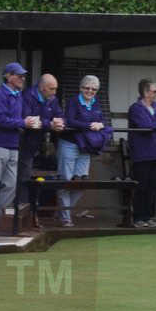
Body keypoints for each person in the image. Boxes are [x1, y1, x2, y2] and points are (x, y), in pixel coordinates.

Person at [57, 74, 109, 226]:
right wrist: (89, 125)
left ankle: (63, 211)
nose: (90, 91)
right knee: (65, 181)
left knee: (81, 183)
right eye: (87, 88)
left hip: (86, 146)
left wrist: (101, 125)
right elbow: (70, 120)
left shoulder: (96, 102)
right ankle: (65, 217)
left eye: (94, 89)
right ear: (80, 88)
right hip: (69, 143)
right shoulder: (73, 101)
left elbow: (102, 120)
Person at [0, 61, 28, 230]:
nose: (22, 78)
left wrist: (26, 122)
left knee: (10, 185)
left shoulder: (18, 95)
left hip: (13, 145)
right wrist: (23, 122)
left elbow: (18, 119)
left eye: (23, 75)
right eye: (18, 75)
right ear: (8, 76)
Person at [125, 78, 156, 227]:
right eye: (154, 91)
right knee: (141, 187)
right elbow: (145, 125)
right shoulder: (135, 108)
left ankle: (148, 217)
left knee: (153, 187)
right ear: (145, 92)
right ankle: (138, 218)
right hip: (142, 154)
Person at [21, 73, 67, 224]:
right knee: (24, 180)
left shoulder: (52, 99)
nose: (54, 92)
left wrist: (60, 123)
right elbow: (29, 118)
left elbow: (60, 115)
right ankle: (22, 216)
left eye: (56, 89)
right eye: (51, 89)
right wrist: (50, 124)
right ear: (41, 88)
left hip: (39, 145)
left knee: (30, 179)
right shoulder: (27, 96)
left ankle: (29, 214)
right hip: (23, 144)